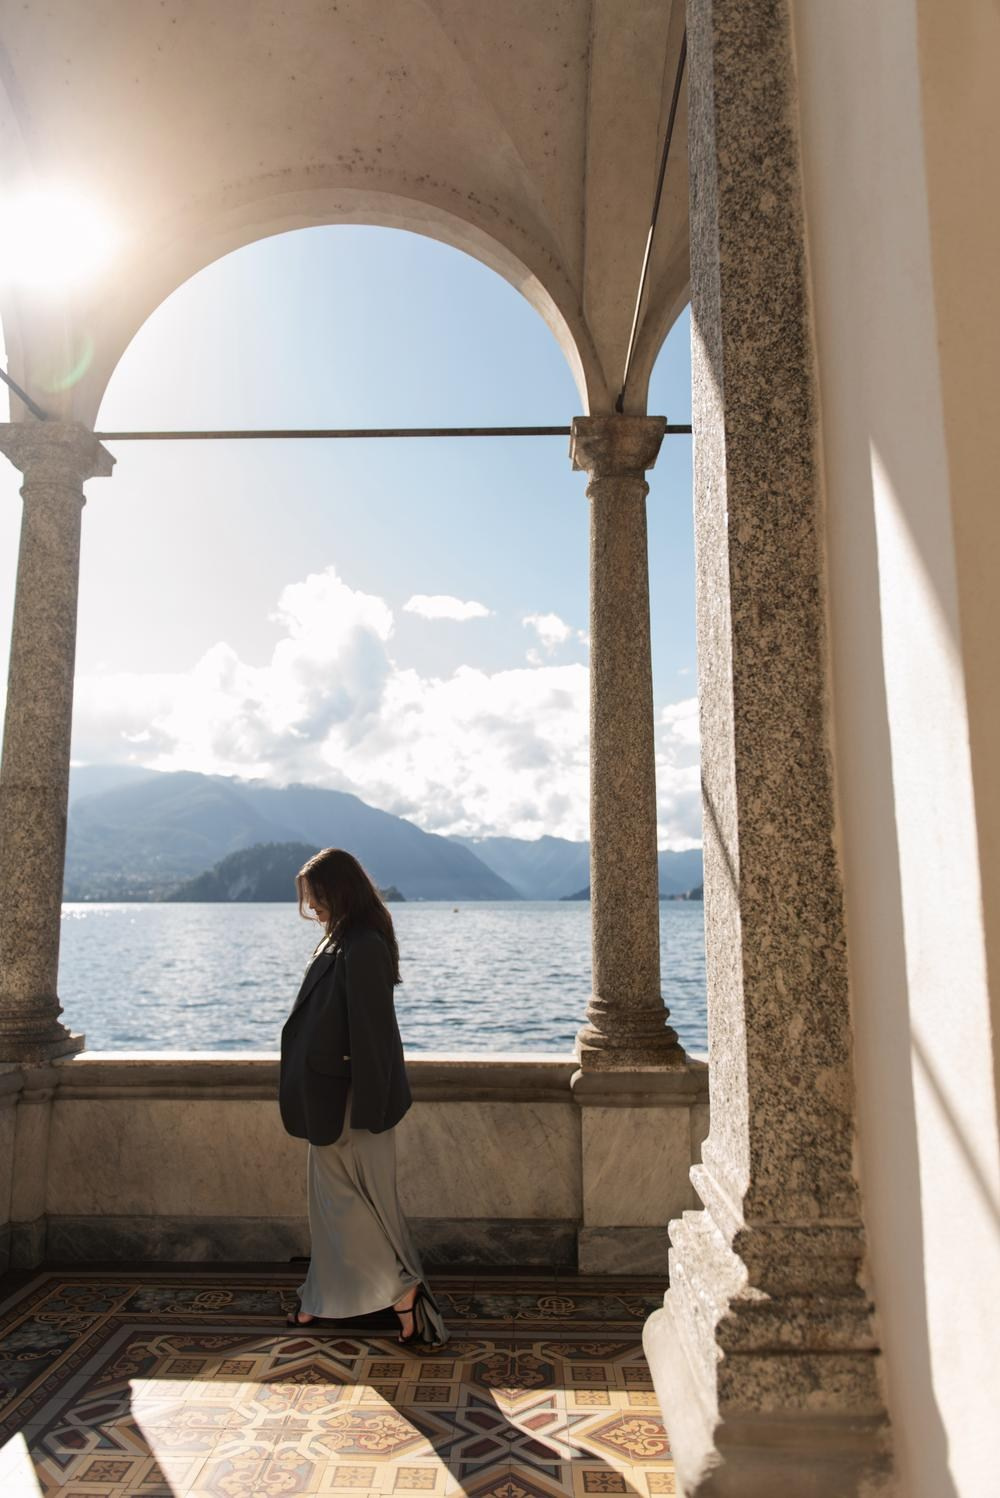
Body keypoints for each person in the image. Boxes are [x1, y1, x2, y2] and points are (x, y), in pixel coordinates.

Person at [278, 847, 448, 1347]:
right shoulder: (340, 938)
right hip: (330, 1097)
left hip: (350, 1101)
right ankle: (326, 1299)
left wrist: (368, 1108)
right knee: (333, 1204)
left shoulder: (363, 943)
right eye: (309, 900)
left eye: (317, 897)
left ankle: (399, 1291)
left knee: (347, 1204)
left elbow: (373, 1033)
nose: (312, 908)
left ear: (339, 890)